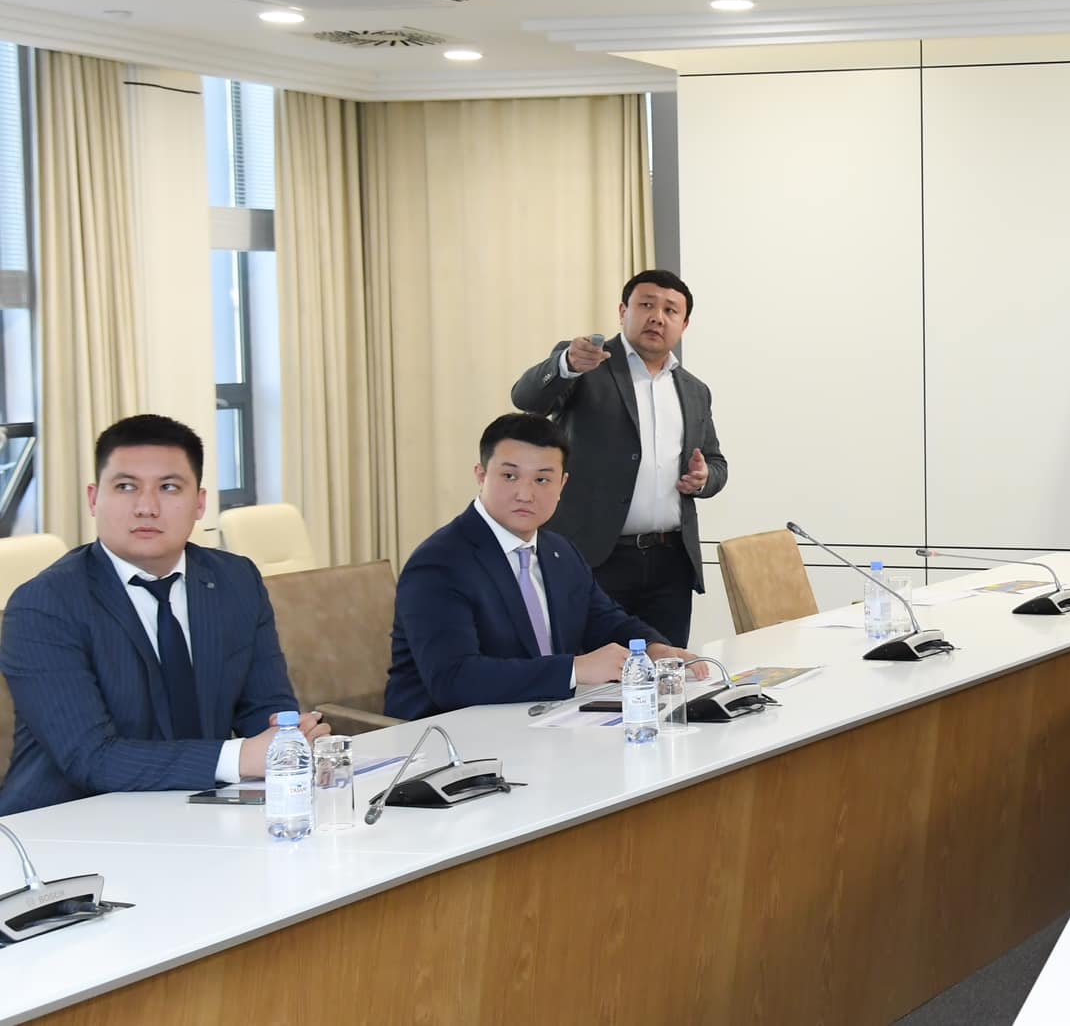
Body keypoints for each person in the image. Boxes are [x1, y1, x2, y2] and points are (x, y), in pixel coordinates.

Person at [0, 415, 324, 815]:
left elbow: (265, 708)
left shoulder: (236, 579)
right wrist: (241, 757)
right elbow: (91, 757)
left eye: (169, 487)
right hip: (65, 824)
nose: (147, 507)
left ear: (200, 503)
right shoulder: (44, 605)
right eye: (126, 487)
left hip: (199, 812)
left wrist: (287, 739)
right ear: (94, 499)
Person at [384, 413, 702, 720]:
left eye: (542, 479)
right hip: (447, 735)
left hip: (543, 721)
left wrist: (653, 649)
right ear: (481, 476)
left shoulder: (559, 550)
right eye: (509, 476)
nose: (525, 494)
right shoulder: (439, 563)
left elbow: (605, 620)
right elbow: (453, 679)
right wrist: (574, 669)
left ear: (562, 484)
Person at [511, 270, 726, 647]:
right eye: (646, 305)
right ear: (623, 311)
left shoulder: (694, 390)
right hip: (596, 559)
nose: (657, 317)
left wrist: (704, 477)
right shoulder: (587, 366)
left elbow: (716, 463)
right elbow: (526, 399)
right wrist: (565, 364)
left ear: (684, 324)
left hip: (670, 563)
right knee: (594, 671)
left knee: (667, 668)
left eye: (670, 310)